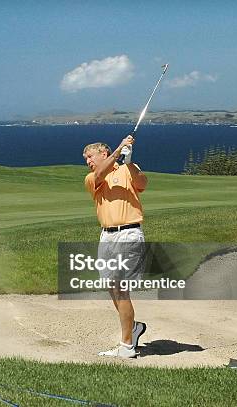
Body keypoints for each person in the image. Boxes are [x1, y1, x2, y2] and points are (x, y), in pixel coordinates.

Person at [83, 135, 148, 358]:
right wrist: (120, 148)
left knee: (120, 287)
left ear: (103, 153)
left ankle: (127, 346)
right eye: (86, 160)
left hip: (129, 233)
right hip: (107, 237)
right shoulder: (92, 177)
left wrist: (129, 162)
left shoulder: (128, 169)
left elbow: (142, 184)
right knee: (112, 288)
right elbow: (100, 174)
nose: (89, 162)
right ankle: (133, 328)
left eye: (90, 157)